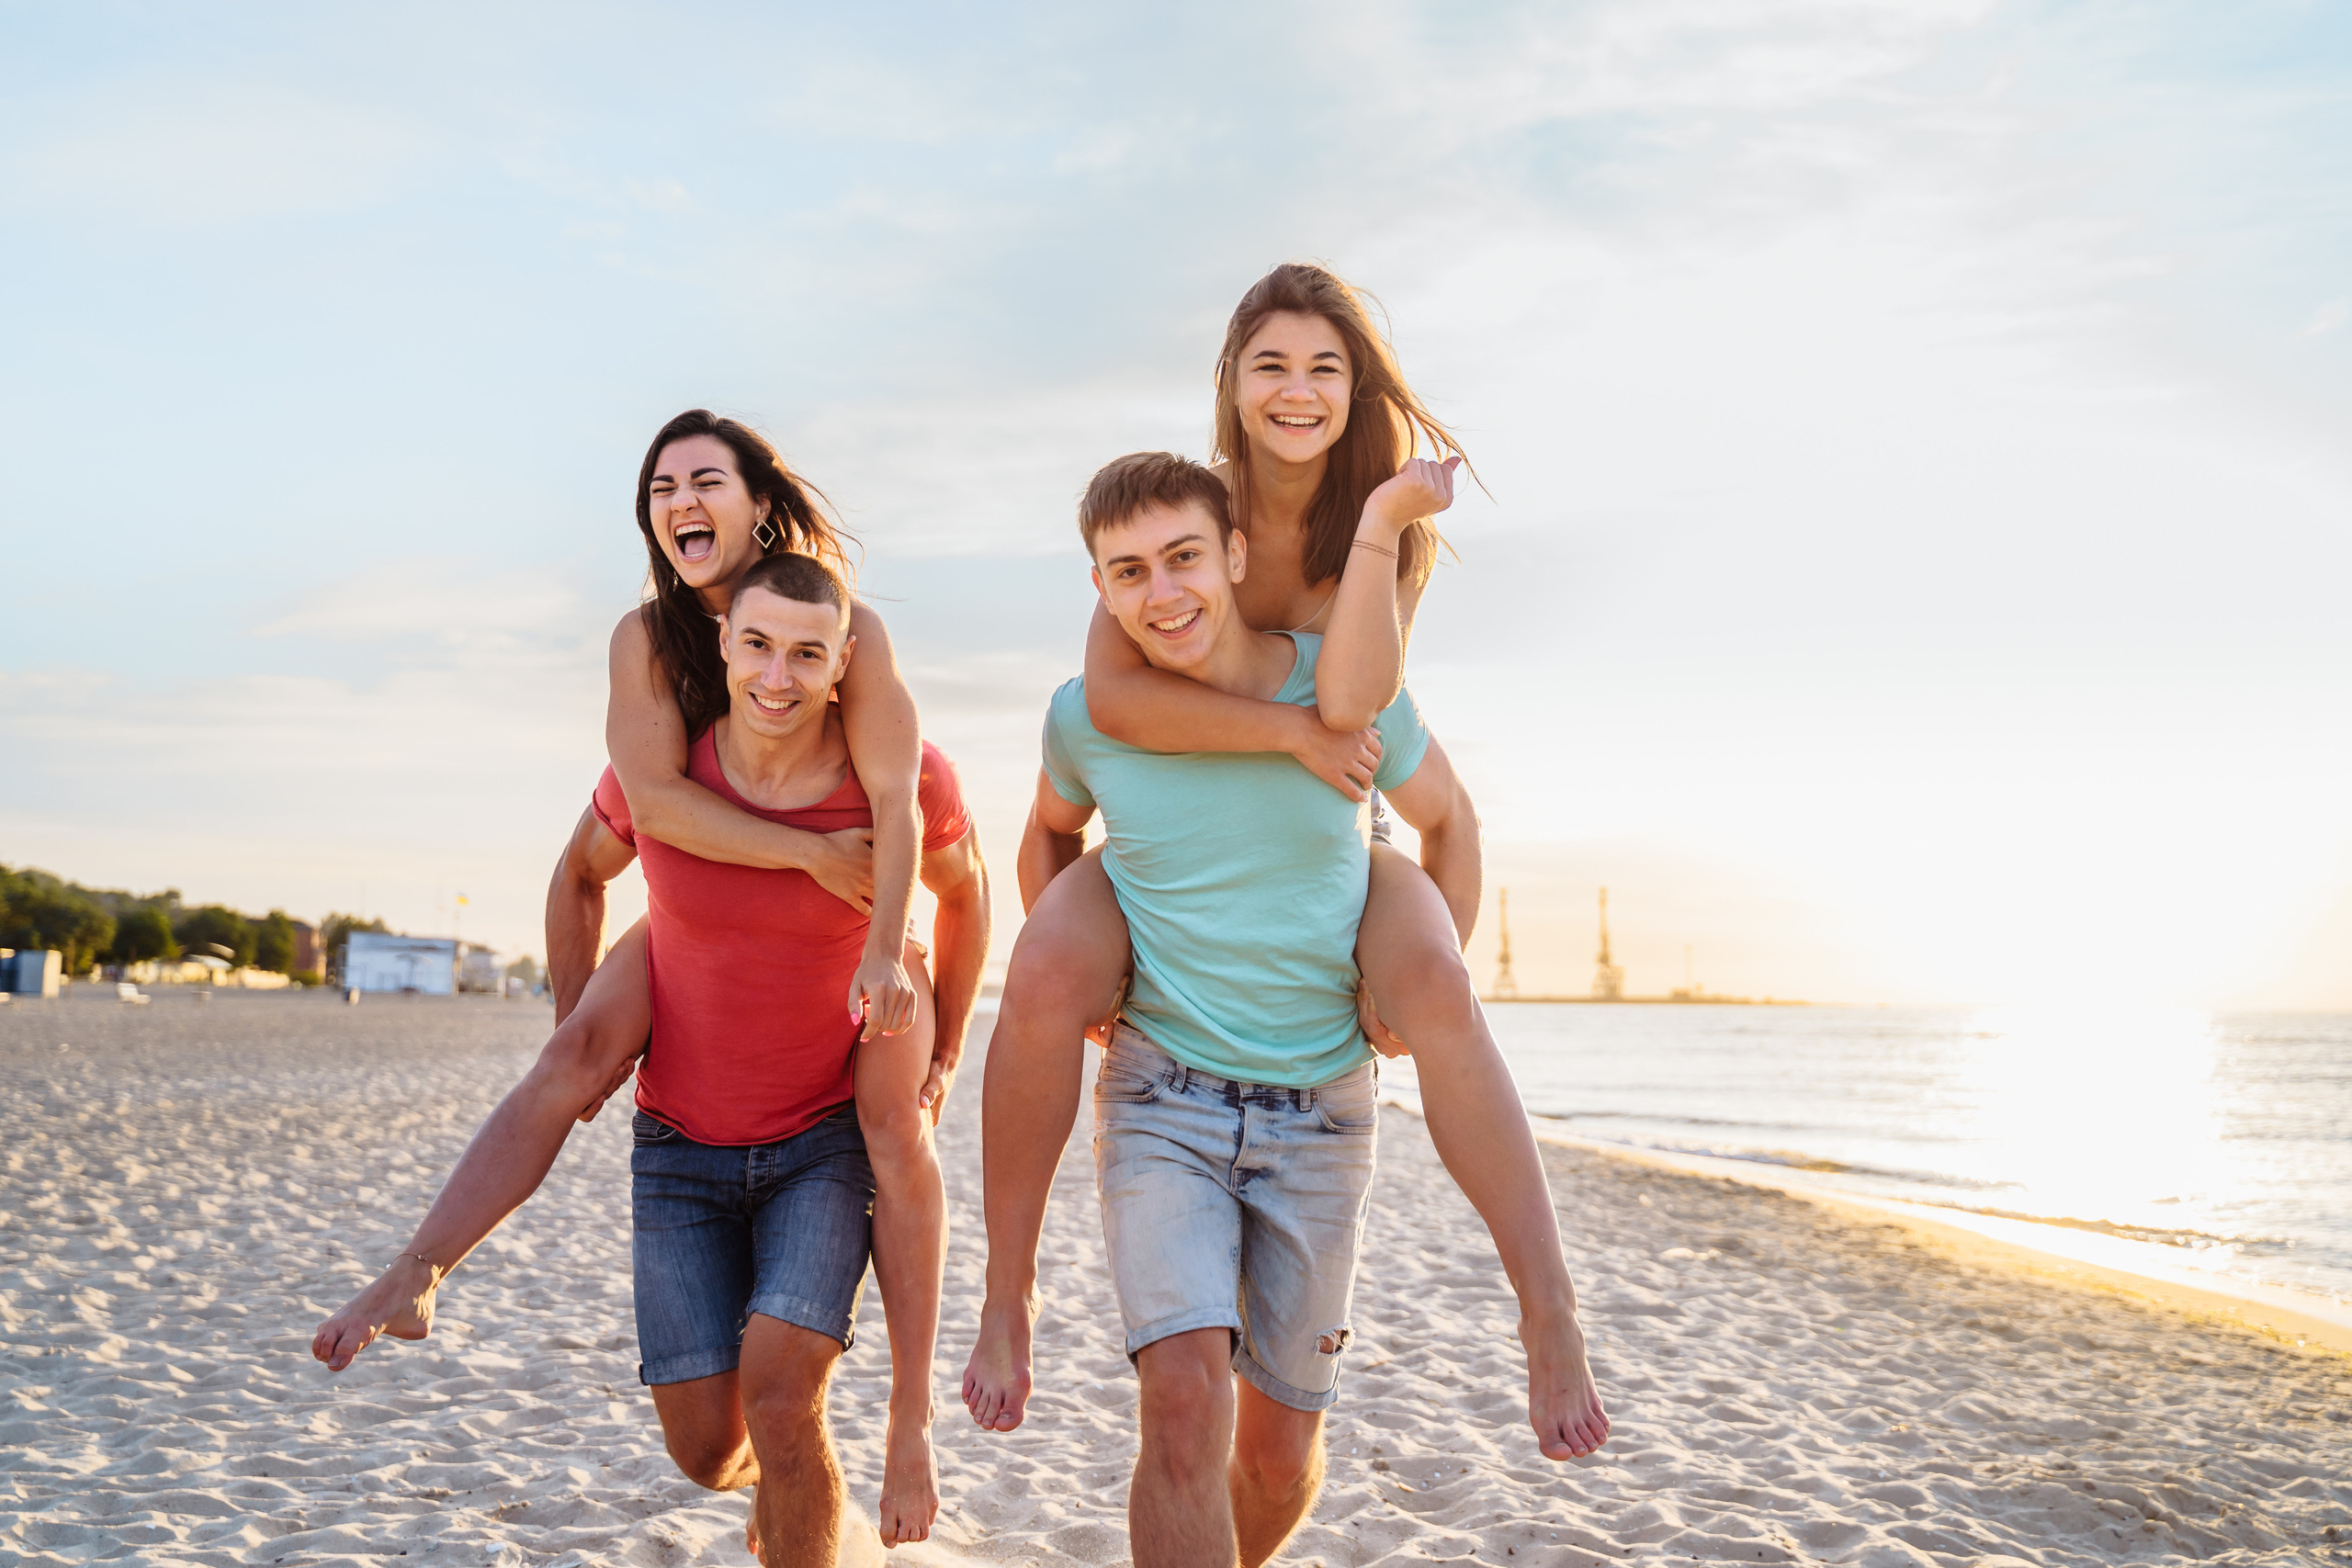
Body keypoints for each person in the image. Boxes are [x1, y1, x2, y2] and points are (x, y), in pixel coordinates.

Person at [965, 266, 1609, 1468]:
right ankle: (1009, 1289)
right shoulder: (1182, 510)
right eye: (1270, 363)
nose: (1298, 389)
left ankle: (1549, 1303)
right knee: (1047, 953)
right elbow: (1111, 697)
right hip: (1182, 831)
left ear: (1357, 386)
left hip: (1327, 831)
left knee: (1432, 966)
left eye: (1325, 365)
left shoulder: (1382, 531)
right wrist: (1291, 739)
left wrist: (1402, 1006)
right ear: (1232, 383)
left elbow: (1361, 708)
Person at [311, 553, 989, 1562]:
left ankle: (905, 1426)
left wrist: (947, 1049)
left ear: (845, 663)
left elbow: (966, 890)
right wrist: (575, 1024)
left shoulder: (898, 778)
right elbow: (577, 873)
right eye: (757, 645)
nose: (777, 677)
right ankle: (415, 1274)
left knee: (780, 1384)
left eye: (808, 655)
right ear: (722, 643)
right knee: (710, 1450)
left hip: (821, 1139)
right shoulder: (670, 772)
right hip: (681, 1149)